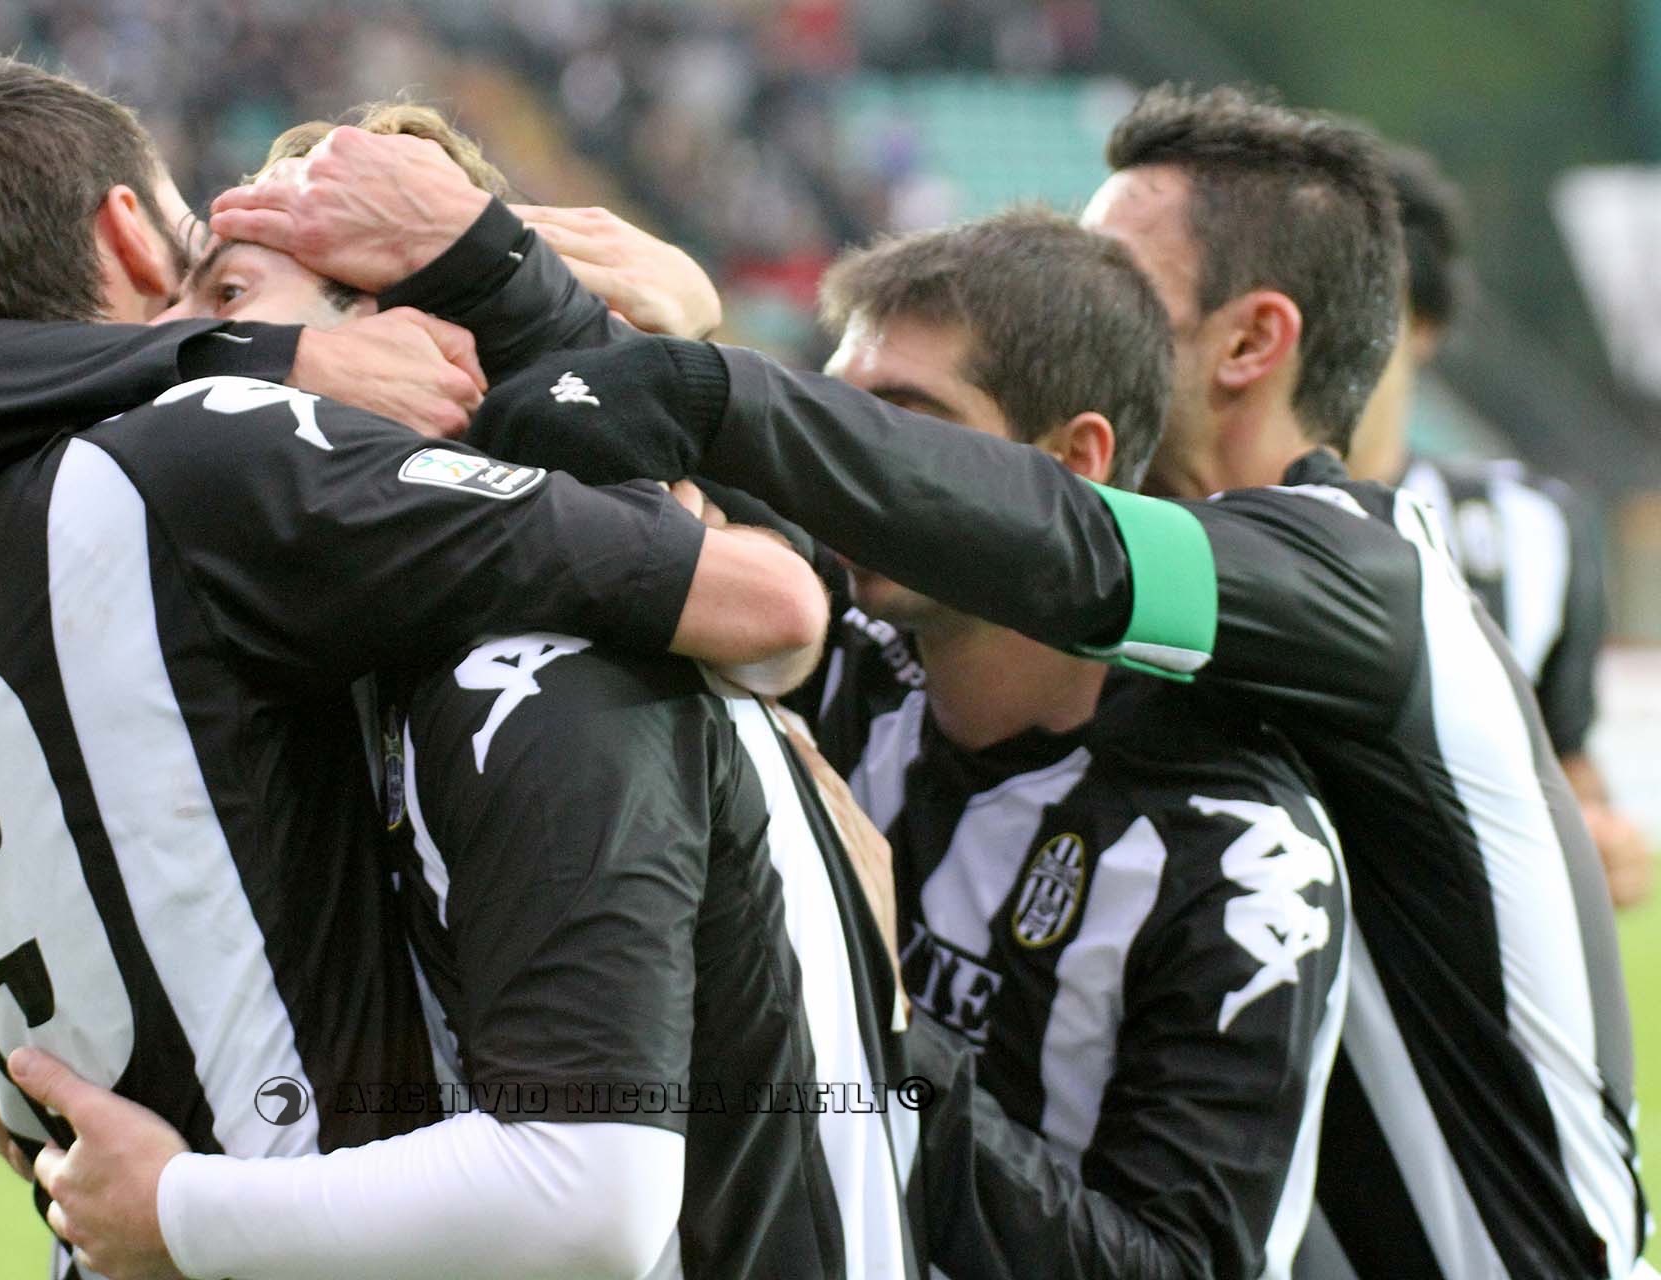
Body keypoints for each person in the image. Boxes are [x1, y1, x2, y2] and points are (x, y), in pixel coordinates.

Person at [451, 85, 1641, 1279]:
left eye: (1123, 270)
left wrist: (717, 386)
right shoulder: (1022, 662)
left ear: (1250, 343)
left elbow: (1052, 540)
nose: (1077, 286)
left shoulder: (1359, 582)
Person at [0, 57, 829, 1279]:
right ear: (126, 230)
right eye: (207, 266)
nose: (218, 319)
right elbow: (770, 600)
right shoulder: (204, 454)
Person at [814, 209, 1349, 1279]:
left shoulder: (1237, 856)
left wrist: (873, 1004)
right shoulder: (823, 665)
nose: (842, 464)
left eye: (907, 423)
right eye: (835, 415)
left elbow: (1177, 1266)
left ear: (1072, 460)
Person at [1348, 143, 1651, 909]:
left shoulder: (1536, 529)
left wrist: (1602, 837)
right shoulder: (1192, 520)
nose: (1328, 339)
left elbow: (1564, 758)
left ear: (1425, 323)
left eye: (1359, 305)